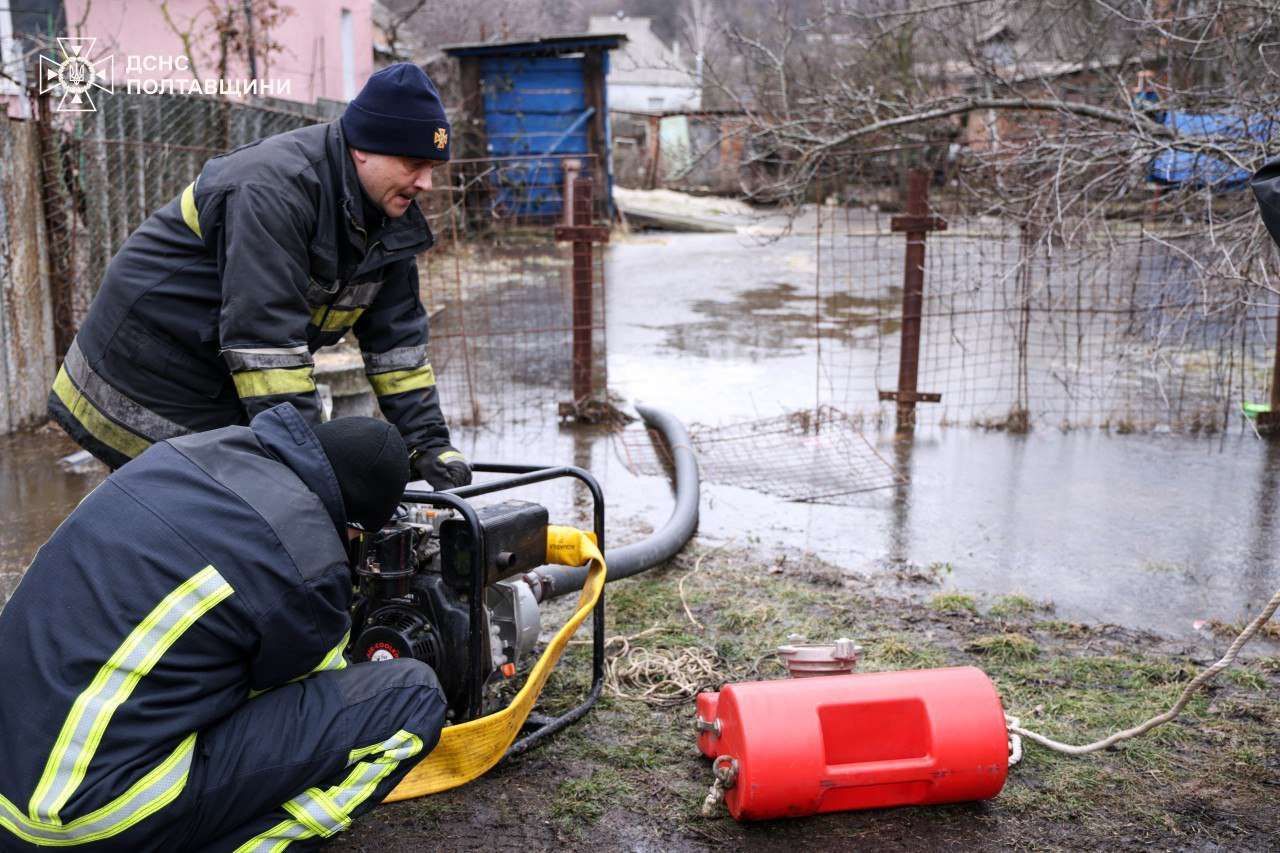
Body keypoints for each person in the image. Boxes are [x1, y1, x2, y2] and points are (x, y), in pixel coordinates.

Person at [0, 404, 444, 851]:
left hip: (7, 800)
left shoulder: (180, 455)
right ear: (354, 526)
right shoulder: (306, 558)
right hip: (86, 823)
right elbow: (310, 693)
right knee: (415, 699)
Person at [47, 62, 471, 491]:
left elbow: (397, 345)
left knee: (248, 506)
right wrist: (318, 471)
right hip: (146, 369)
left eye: (433, 167)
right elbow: (268, 347)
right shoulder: (272, 189)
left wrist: (429, 443)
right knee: (196, 523)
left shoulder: (388, 212)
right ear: (364, 147)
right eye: (414, 164)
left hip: (220, 370)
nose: (427, 183)